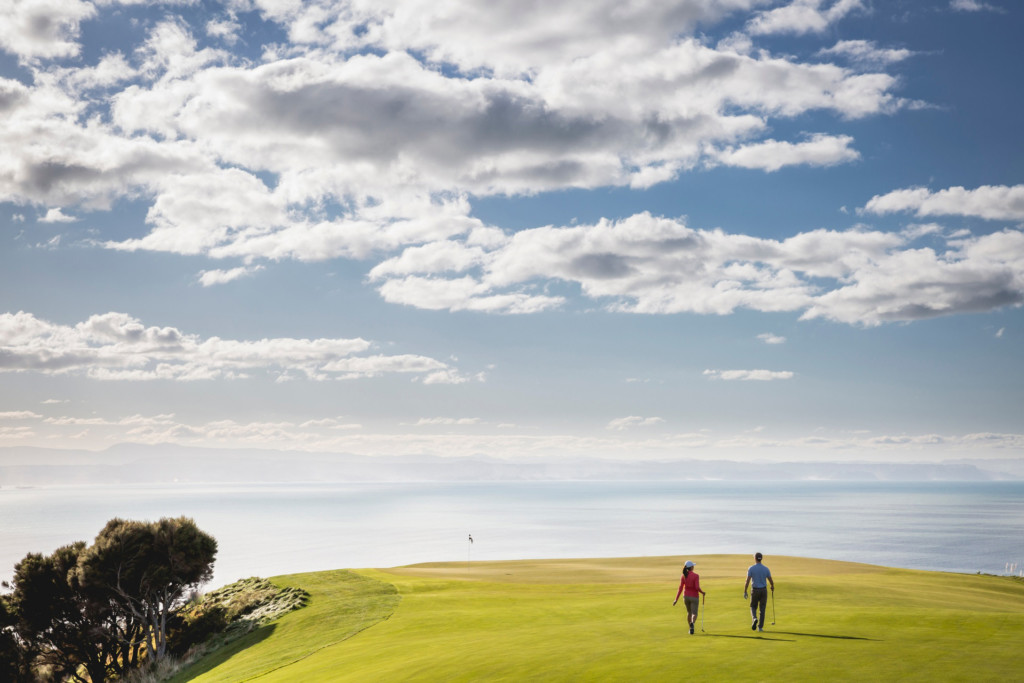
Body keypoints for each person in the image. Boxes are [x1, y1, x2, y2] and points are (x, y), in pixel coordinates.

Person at [672, 560, 706, 634]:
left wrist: (676, 599)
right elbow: (697, 587)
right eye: (693, 566)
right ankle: (692, 623)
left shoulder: (683, 576)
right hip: (694, 597)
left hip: (686, 597)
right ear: (691, 567)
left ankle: (690, 629)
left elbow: (680, 588)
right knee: (694, 613)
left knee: (689, 613)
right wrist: (702, 592)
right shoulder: (696, 576)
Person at [743, 552, 774, 632]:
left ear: (755, 558)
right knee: (762, 609)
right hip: (763, 590)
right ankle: (760, 627)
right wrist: (772, 586)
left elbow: (747, 581)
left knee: (753, 606)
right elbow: (770, 580)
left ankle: (754, 618)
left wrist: (745, 591)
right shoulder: (766, 569)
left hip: (755, 590)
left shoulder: (751, 568)